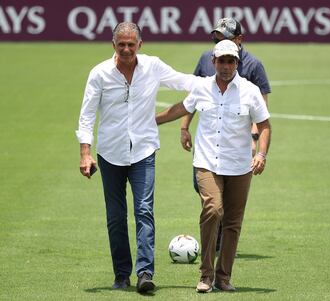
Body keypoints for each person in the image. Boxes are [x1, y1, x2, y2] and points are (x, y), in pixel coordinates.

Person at [75, 22, 195, 294]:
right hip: (110, 153)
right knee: (116, 216)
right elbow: (87, 114)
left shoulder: (152, 66)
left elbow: (184, 81)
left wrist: (214, 82)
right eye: (122, 44)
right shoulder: (100, 74)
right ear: (113, 45)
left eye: (132, 44)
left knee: (144, 210)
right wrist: (85, 152)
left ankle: (145, 273)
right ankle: (121, 274)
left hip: (143, 151)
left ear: (140, 44)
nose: (127, 49)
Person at [156, 40, 271, 292]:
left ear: (237, 63)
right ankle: (206, 275)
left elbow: (264, 125)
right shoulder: (201, 87)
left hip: (240, 165)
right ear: (213, 62)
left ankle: (223, 278)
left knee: (232, 222)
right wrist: (152, 121)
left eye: (231, 61)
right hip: (207, 162)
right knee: (213, 208)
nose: (226, 66)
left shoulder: (250, 91)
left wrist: (261, 154)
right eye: (222, 61)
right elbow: (180, 109)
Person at [181, 18, 271, 251]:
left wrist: (254, 141)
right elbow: (193, 95)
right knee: (202, 189)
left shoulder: (253, 66)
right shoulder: (205, 59)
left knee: (222, 204)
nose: (219, 42)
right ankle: (215, 233)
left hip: (238, 142)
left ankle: (218, 244)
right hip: (208, 143)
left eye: (225, 38)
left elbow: (261, 108)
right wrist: (184, 127)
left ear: (239, 40)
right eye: (216, 38)